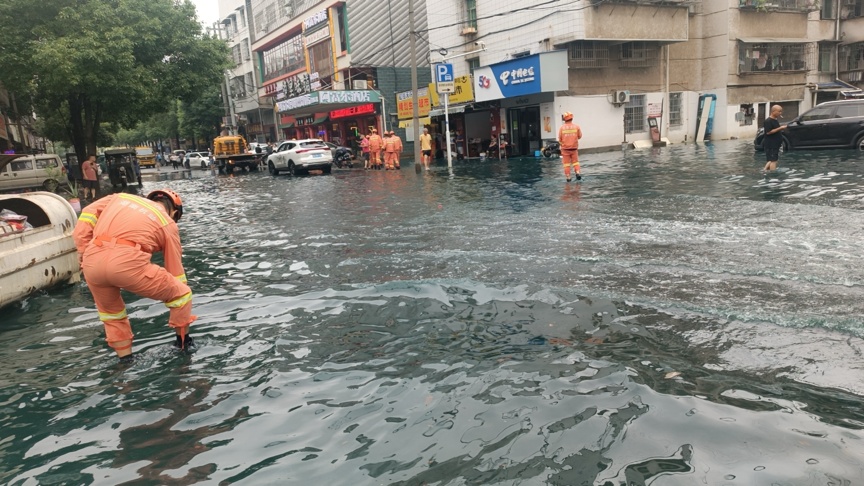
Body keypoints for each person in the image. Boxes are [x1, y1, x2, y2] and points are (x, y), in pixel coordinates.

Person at [73, 189, 196, 360]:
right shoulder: (167, 222)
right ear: (174, 212)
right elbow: (176, 271)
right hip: (128, 263)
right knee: (182, 294)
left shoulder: (119, 197)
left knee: (112, 315)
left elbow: (86, 214)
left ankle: (125, 362)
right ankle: (183, 345)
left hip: (92, 261)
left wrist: (83, 251)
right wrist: (179, 291)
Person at [558, 111, 583, 182]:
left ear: (564, 119)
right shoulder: (576, 127)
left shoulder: (562, 128)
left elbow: (560, 139)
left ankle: (568, 177)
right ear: (572, 118)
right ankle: (577, 173)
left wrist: (562, 145)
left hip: (565, 149)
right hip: (574, 148)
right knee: (576, 162)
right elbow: (580, 136)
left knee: (566, 164)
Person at [763, 105, 786, 172]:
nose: (780, 113)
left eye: (781, 111)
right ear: (773, 111)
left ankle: (765, 170)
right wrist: (780, 128)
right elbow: (768, 132)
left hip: (775, 144)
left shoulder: (775, 120)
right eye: (779, 111)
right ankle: (772, 174)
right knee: (773, 160)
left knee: (772, 159)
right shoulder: (768, 121)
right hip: (771, 144)